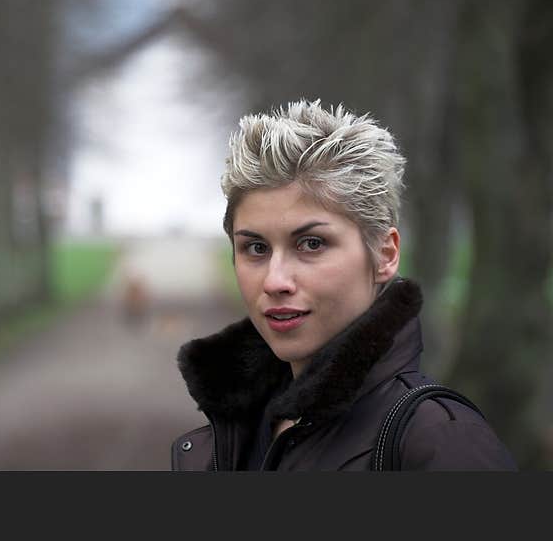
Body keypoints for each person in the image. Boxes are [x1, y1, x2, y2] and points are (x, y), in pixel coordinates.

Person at [171, 100, 516, 471]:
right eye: (256, 248)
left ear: (385, 254)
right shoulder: (238, 431)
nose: (275, 280)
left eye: (312, 244)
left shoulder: (441, 440)